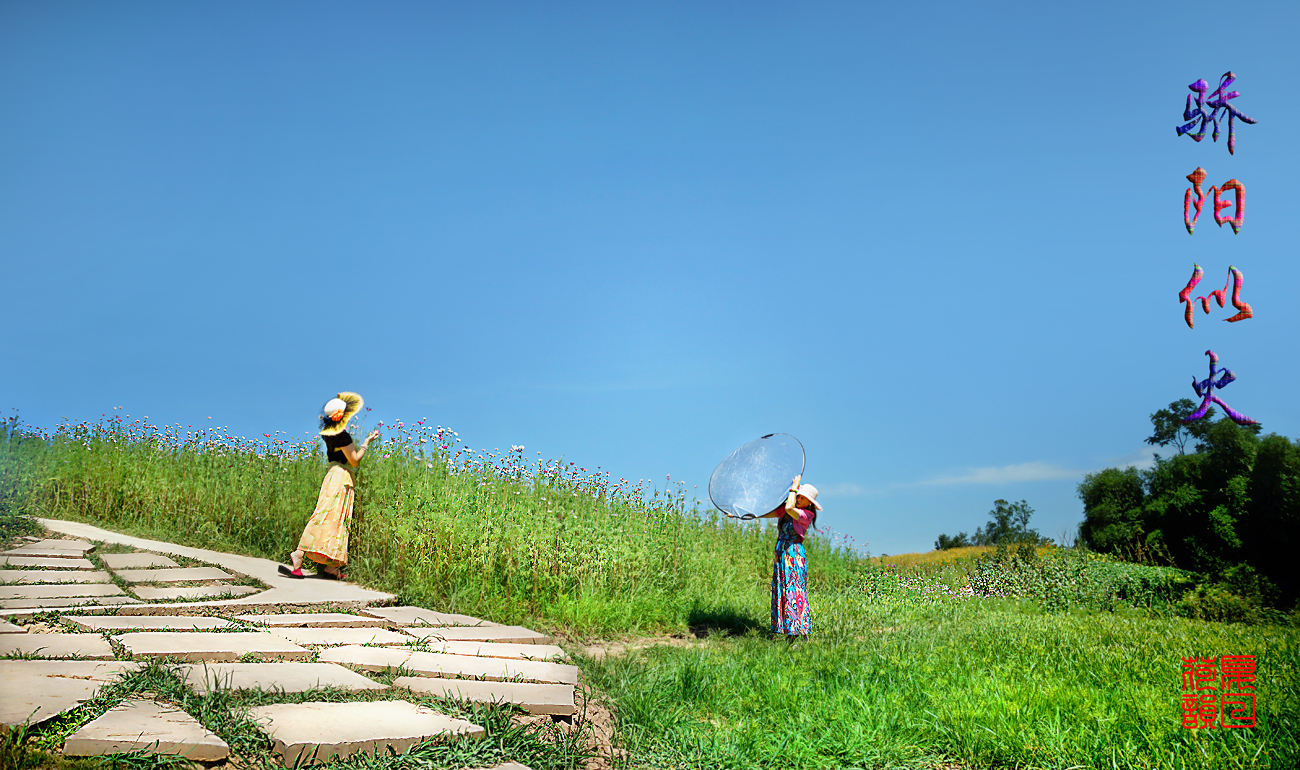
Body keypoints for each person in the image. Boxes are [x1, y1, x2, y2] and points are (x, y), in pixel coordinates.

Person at [279, 392, 379, 580]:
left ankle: (330, 566)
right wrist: (366, 443)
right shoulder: (343, 436)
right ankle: (299, 554)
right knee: (330, 517)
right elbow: (355, 460)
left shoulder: (330, 434)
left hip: (333, 476)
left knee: (333, 518)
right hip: (341, 477)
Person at [761, 474, 821, 637]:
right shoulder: (787, 511)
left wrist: (794, 487)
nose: (799, 499)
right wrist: (739, 514)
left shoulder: (806, 515)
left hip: (794, 554)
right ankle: (787, 630)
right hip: (782, 553)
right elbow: (764, 513)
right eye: (798, 496)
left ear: (809, 503)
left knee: (794, 589)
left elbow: (788, 508)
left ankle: (800, 631)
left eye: (803, 498)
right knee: (782, 588)